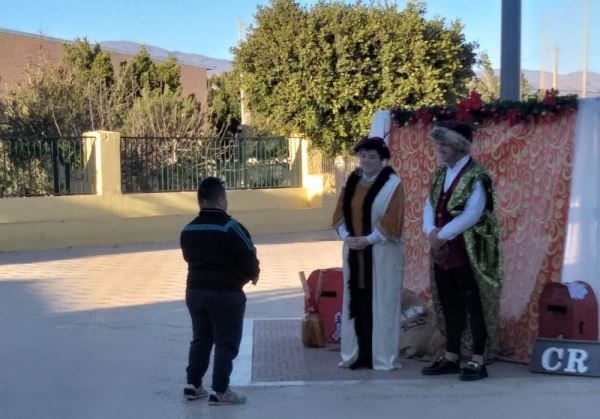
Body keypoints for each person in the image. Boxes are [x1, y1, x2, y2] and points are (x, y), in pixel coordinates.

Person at [421, 121, 503, 381]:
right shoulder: (439, 174)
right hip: (443, 249)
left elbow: (473, 213)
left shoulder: (477, 175)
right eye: (438, 144)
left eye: (444, 144)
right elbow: (429, 204)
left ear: (459, 146)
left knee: (473, 303)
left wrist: (441, 236)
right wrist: (430, 232)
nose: (439, 149)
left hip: (469, 250)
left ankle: (478, 359)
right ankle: (451, 356)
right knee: (449, 303)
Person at [180, 177, 259, 405]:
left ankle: (193, 386)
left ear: (200, 201)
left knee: (201, 339)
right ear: (222, 199)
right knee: (226, 342)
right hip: (226, 294)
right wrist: (251, 275)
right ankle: (220, 390)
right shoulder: (231, 227)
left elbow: (189, 257)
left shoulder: (188, 229)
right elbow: (249, 257)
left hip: (195, 292)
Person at [332, 136, 405, 371]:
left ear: (382, 160)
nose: (366, 161)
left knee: (382, 302)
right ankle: (358, 354)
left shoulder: (393, 184)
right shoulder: (350, 182)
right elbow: (339, 215)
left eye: (372, 157)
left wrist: (369, 239)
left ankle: (381, 356)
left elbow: (393, 220)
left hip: (382, 253)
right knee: (358, 299)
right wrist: (347, 237)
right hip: (355, 252)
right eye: (363, 156)